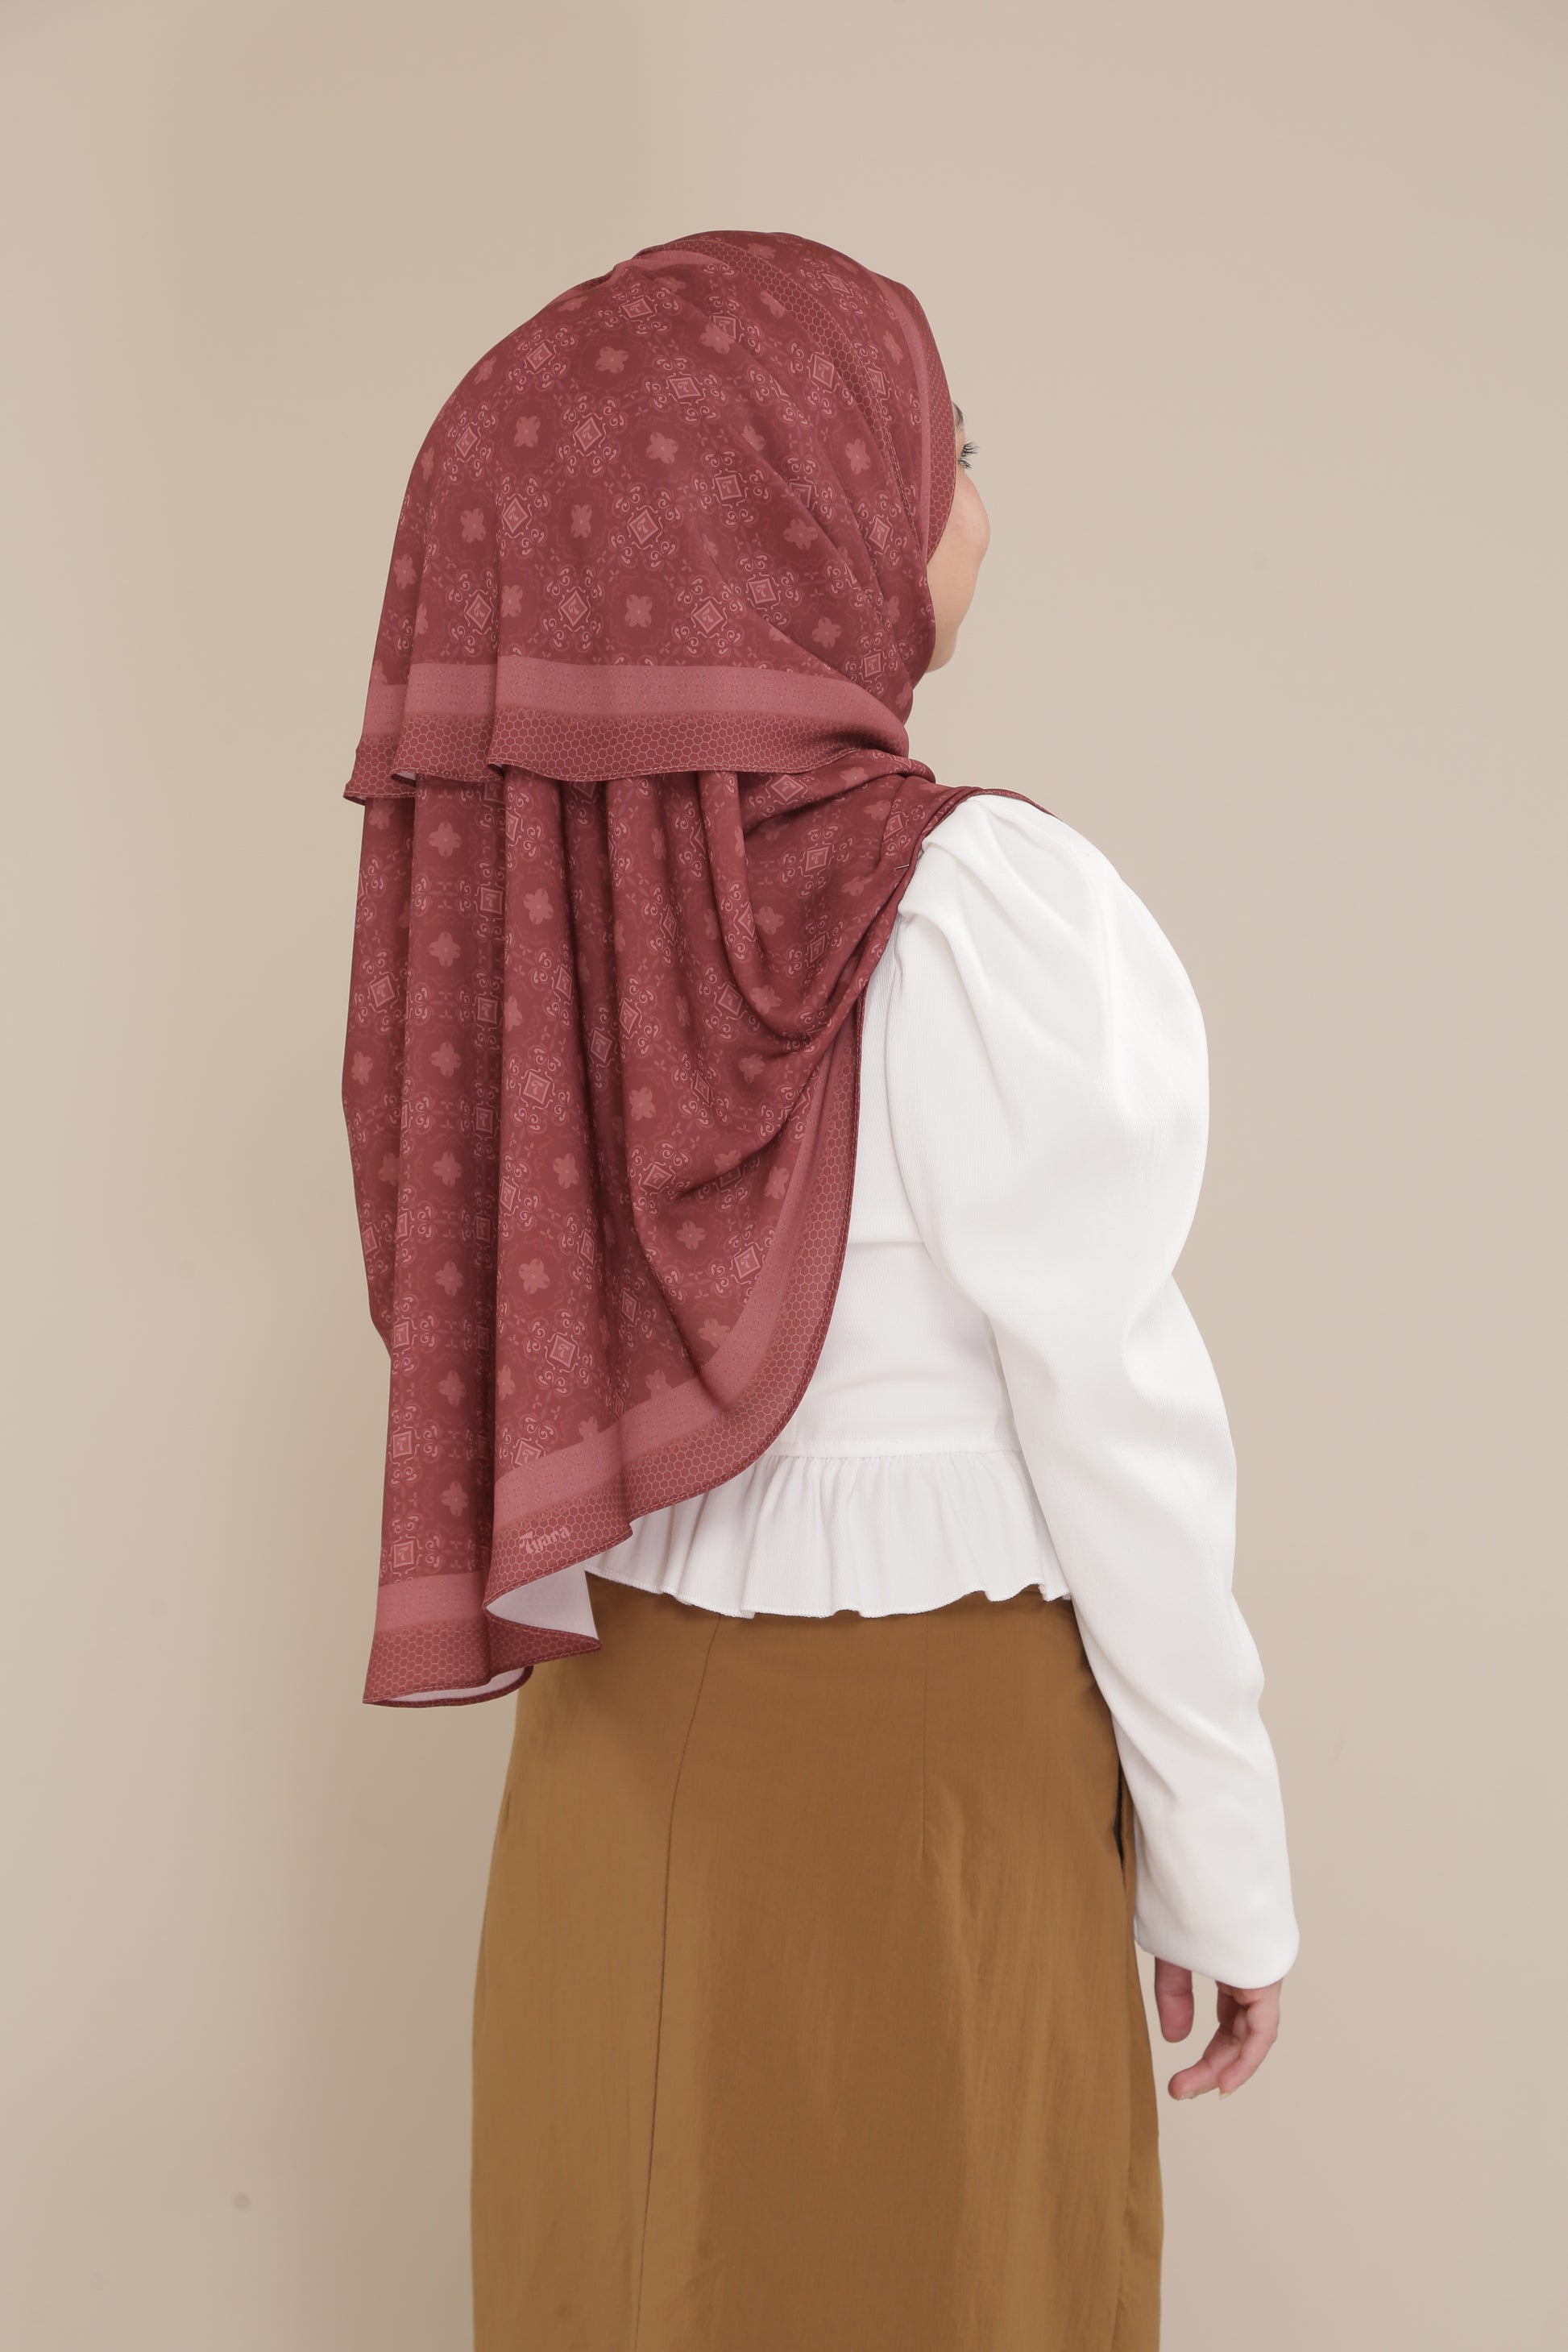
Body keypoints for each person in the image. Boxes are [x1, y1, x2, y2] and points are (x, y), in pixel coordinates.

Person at [340, 229, 1298, 2352]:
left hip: (615, 1753)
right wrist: (1221, 1859)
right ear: (794, 518)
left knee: (631, 2273)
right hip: (931, 1764)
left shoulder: (541, 926)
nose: (973, 503)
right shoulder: (985, 911)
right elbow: (1115, 1420)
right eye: (942, 451)